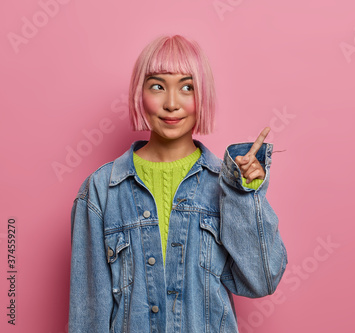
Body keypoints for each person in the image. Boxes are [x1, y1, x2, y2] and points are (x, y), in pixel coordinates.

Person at [69, 34, 287, 332]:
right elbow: (88, 316)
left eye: (187, 87)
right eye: (157, 86)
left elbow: (261, 281)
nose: (171, 104)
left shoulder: (225, 184)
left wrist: (244, 194)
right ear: (139, 93)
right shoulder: (100, 190)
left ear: (203, 96)